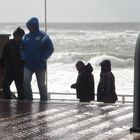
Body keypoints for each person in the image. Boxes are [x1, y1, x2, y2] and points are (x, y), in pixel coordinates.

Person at [21, 17, 54, 101]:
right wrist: (24, 57)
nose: (29, 28)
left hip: (40, 65)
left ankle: (44, 100)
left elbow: (50, 48)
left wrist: (44, 58)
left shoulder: (43, 36)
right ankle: (29, 99)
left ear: (35, 26)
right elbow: (22, 49)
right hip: (28, 65)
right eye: (29, 26)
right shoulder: (26, 37)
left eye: (31, 26)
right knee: (25, 81)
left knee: (41, 84)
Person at [0, 27, 25, 99]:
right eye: (16, 35)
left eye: (20, 35)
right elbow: (3, 56)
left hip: (20, 71)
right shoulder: (8, 44)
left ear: (22, 36)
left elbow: (28, 57)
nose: (17, 37)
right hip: (10, 70)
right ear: (14, 35)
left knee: (20, 88)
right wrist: (1, 67)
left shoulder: (24, 45)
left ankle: (21, 104)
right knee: (5, 84)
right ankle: (8, 100)